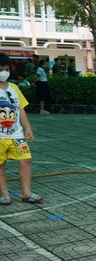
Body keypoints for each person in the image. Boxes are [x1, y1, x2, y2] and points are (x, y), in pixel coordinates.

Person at [0, 52, 43, 205]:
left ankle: (26, 193)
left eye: (6, 69)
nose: (4, 72)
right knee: (0, 165)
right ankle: (4, 194)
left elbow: (21, 109)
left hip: (17, 135)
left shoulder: (14, 88)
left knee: (26, 160)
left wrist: (28, 128)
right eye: (0, 69)